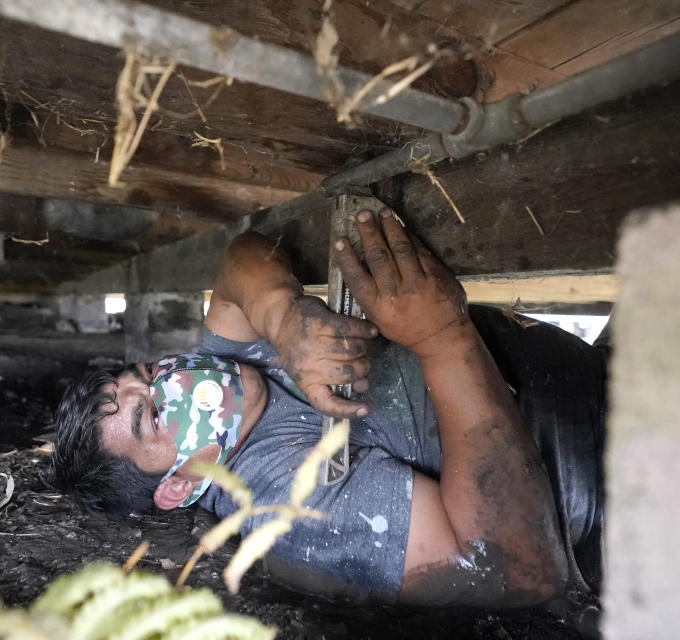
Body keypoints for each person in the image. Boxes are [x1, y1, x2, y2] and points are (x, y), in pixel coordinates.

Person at [52, 207, 606, 607]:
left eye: (149, 374)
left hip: (602, 379)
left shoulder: (232, 370)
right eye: (151, 415)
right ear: (177, 486)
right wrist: (442, 338)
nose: (173, 382)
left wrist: (281, 317)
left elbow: (240, 258)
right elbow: (516, 568)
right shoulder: (286, 512)